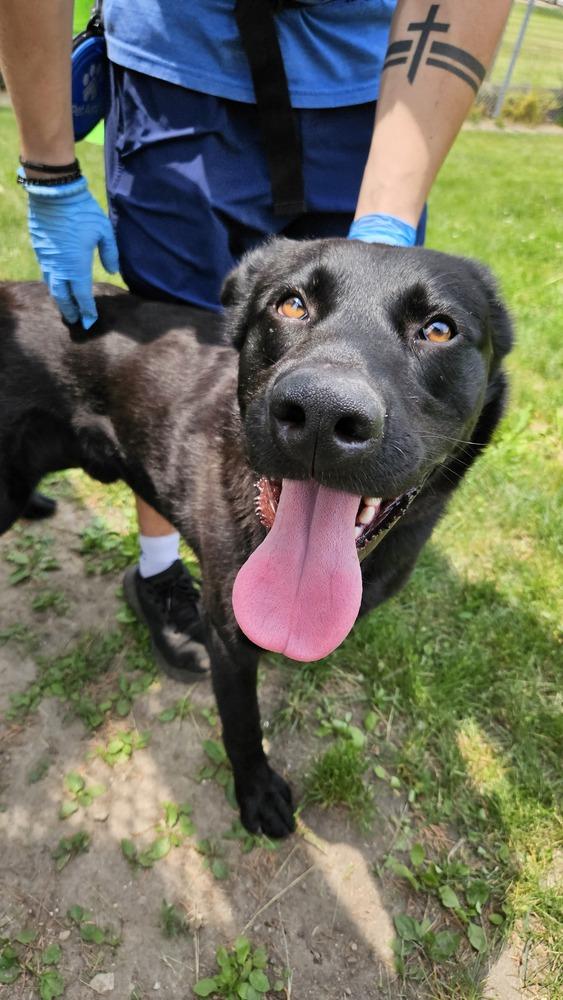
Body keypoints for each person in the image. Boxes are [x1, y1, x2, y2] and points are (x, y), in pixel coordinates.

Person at [0, 0, 511, 681]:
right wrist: (52, 172)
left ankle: (311, 567)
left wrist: (385, 219)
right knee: (163, 393)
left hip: (376, 92)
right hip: (175, 78)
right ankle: (160, 568)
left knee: (365, 380)